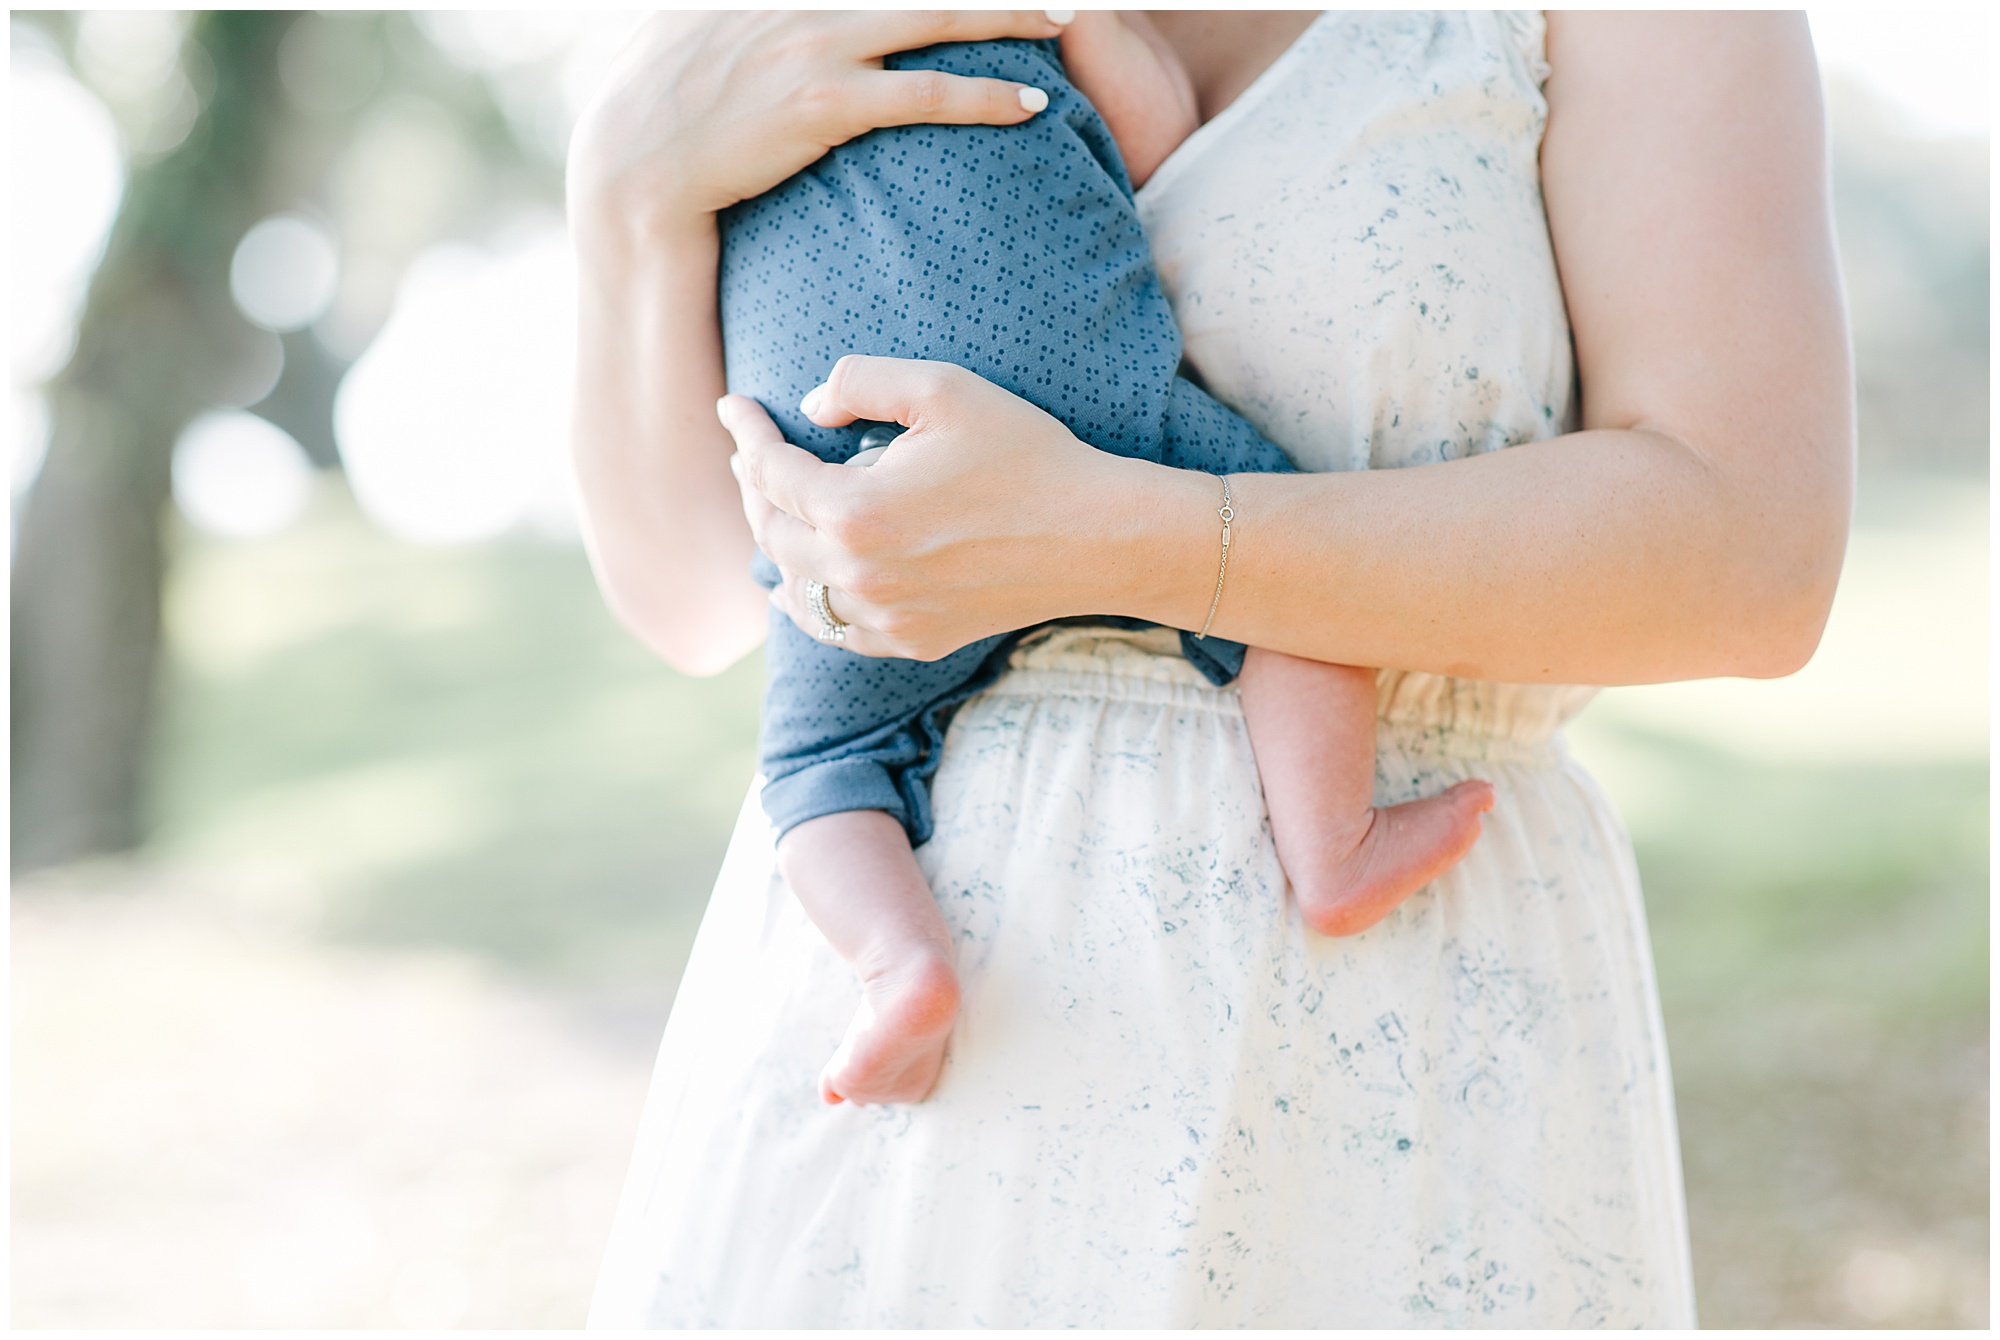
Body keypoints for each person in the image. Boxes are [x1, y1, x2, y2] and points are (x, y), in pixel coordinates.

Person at [569, 11, 1851, 1327]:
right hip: (881, 1090)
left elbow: (1755, 565)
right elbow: (693, 602)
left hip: (1382, 1042)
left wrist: (1130, 540)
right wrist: (626, 192)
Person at [725, 29, 1493, 1108]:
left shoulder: (740, 58)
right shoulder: (1021, 21)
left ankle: (898, 964)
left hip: (828, 468)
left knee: (820, 760)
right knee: (1289, 565)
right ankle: (1334, 849)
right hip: (1078, 413)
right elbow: (1158, 141)